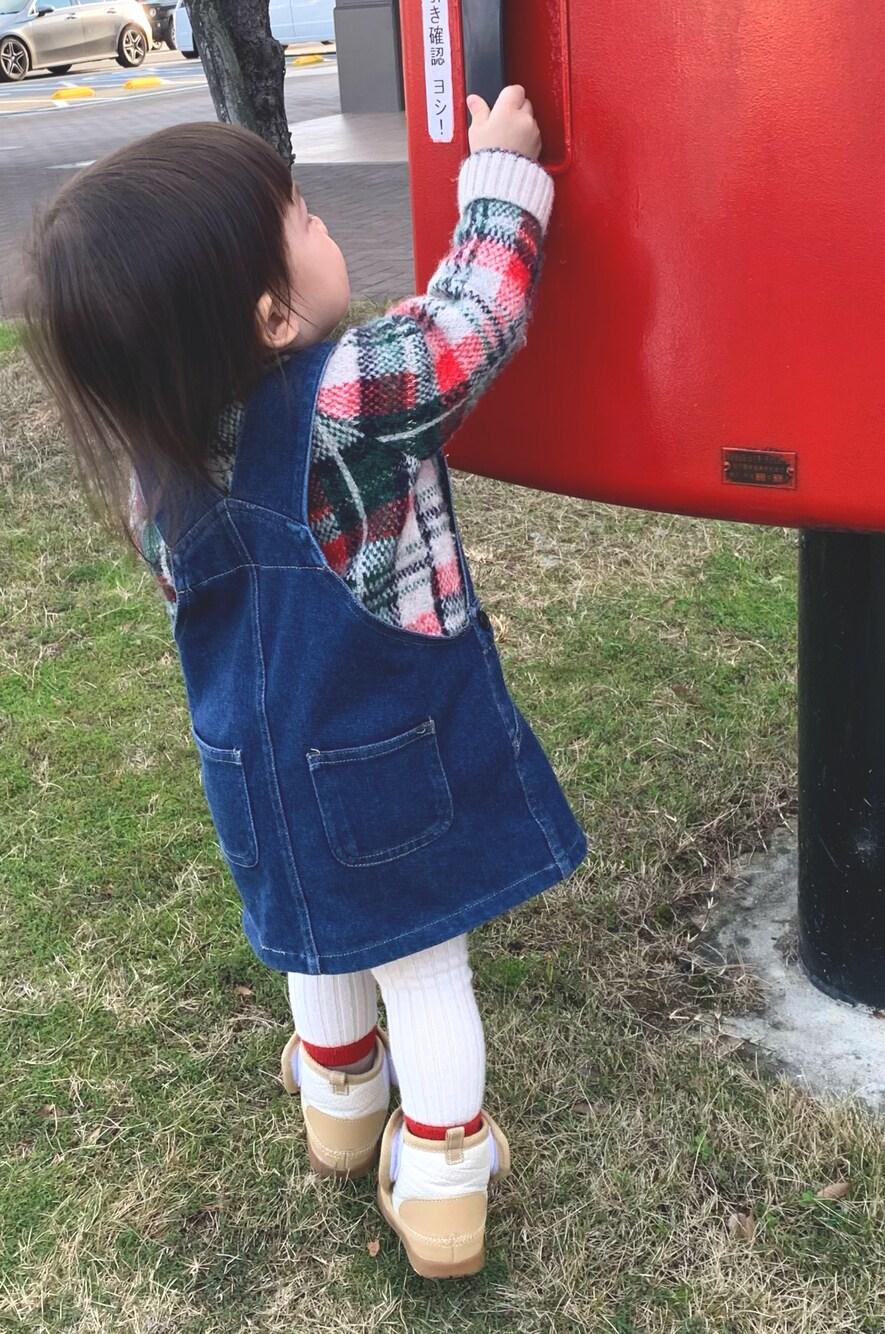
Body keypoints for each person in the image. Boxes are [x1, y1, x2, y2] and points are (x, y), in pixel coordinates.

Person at [23, 86, 586, 1280]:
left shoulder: (153, 469)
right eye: (306, 219)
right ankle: (443, 1172)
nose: (325, 221)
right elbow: (470, 319)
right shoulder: (348, 397)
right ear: (272, 315)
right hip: (385, 752)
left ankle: (339, 1102)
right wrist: (500, 177)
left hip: (250, 765)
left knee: (318, 933)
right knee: (421, 956)